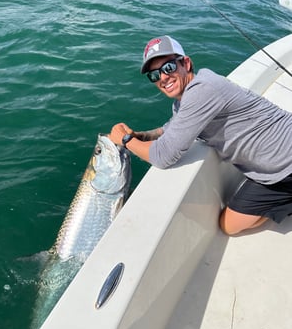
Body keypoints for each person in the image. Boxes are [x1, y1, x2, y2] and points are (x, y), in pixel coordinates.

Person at [109, 35, 292, 235]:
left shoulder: (202, 90)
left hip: (286, 164)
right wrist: (141, 135)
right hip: (270, 173)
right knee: (228, 226)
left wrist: (126, 141)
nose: (162, 78)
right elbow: (170, 128)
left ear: (186, 63)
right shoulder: (185, 99)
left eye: (168, 67)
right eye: (154, 75)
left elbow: (163, 157)